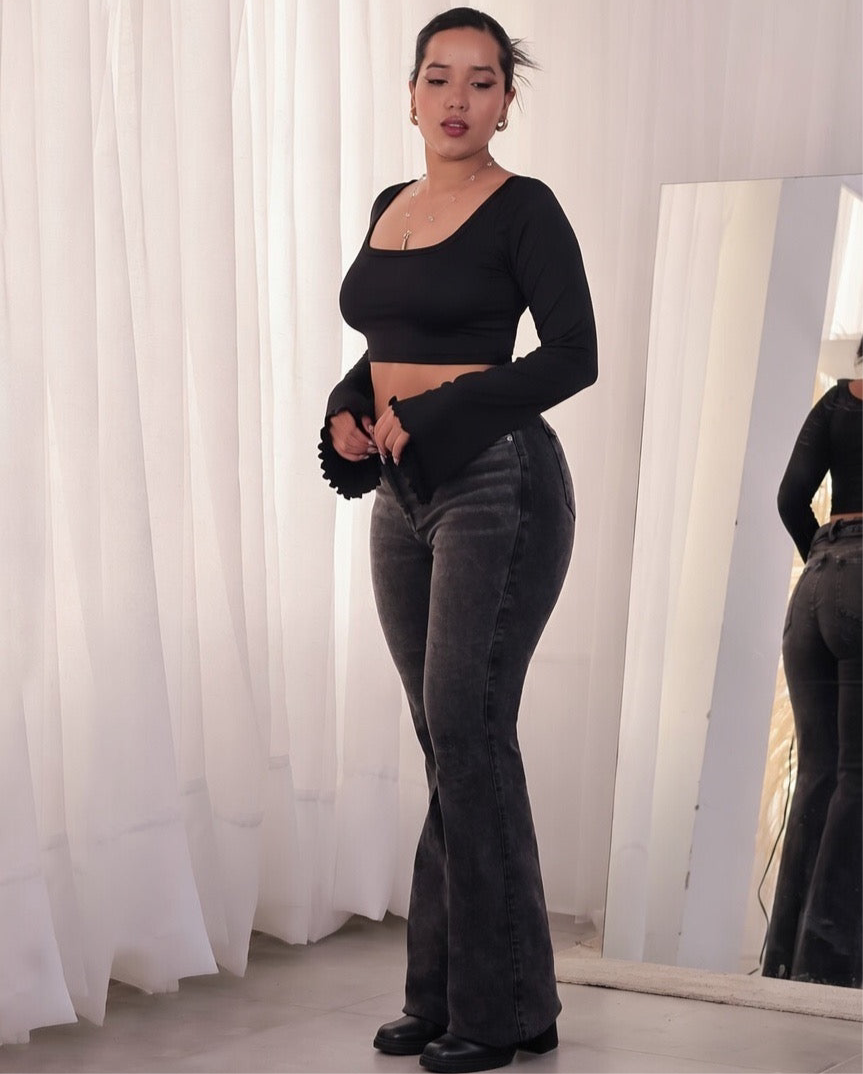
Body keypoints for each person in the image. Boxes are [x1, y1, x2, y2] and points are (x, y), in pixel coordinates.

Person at [318, 9, 597, 1070]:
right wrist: (347, 406)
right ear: (410, 94)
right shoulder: (390, 206)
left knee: (467, 730)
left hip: (497, 482)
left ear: (504, 104)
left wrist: (437, 409)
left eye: (481, 82)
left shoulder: (525, 208)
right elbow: (387, 342)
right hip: (403, 491)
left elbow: (571, 355)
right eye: (438, 77)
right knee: (448, 742)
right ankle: (451, 997)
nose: (456, 99)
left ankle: (502, 1008)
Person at [764, 334, 863, 987]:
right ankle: (825, 972)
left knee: (820, 774)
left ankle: (782, 962)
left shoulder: (835, 403)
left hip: (815, 587)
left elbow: (788, 499)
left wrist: (828, 562)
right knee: (859, 778)